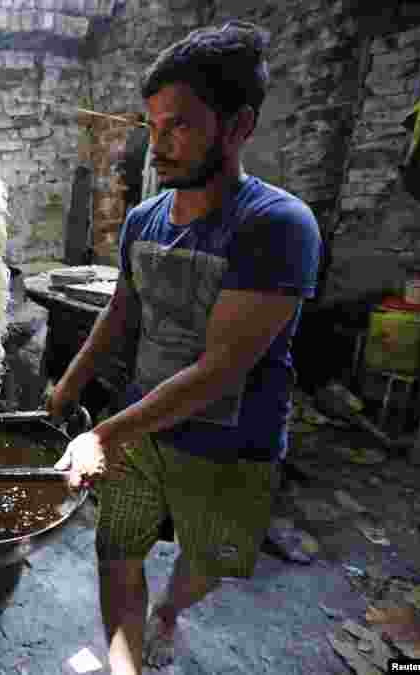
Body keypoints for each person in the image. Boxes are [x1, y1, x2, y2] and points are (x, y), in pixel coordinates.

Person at [48, 21, 322, 675]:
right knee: (116, 551)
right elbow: (119, 313)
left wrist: (102, 434)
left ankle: (171, 610)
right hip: (142, 432)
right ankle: (127, 664)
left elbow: (217, 372)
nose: (158, 144)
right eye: (153, 123)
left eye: (180, 125)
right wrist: (67, 385)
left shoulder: (276, 227)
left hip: (233, 445)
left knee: (207, 564)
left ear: (238, 126)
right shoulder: (145, 221)